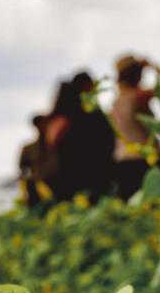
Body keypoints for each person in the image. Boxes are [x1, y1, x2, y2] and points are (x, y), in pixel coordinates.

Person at [110, 55, 160, 200]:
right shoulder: (137, 96)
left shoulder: (116, 102)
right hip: (144, 161)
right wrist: (152, 65)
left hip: (123, 161)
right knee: (155, 209)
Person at [48, 72, 116, 202]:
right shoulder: (89, 114)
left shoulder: (62, 114)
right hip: (92, 172)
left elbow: (52, 142)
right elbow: (107, 140)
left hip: (69, 173)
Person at [19, 116, 59, 207]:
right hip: (36, 190)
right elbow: (22, 170)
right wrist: (27, 189)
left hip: (57, 186)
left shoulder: (57, 145)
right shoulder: (29, 149)